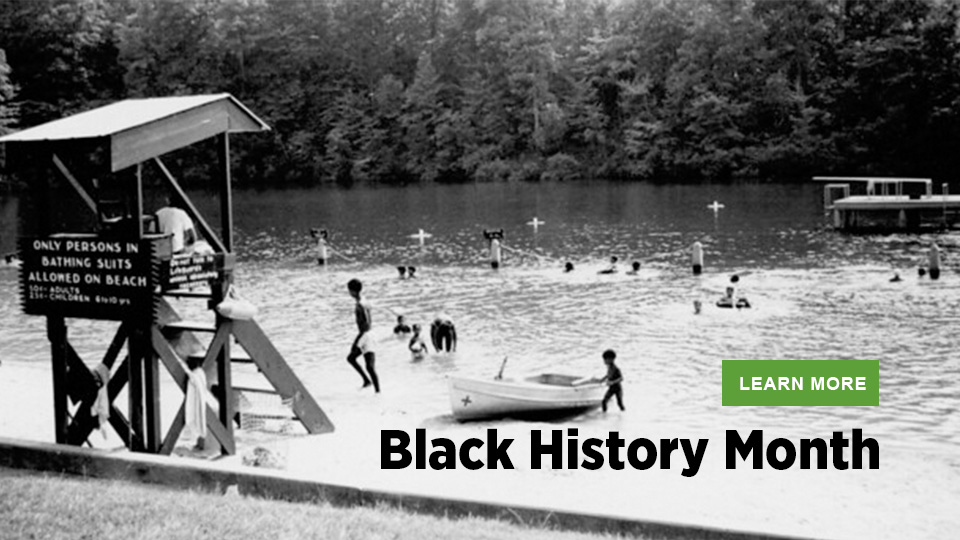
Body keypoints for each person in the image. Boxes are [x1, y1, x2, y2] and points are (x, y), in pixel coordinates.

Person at [346, 278, 379, 392]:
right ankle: (368, 382)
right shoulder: (364, 301)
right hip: (367, 334)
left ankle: (375, 389)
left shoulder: (360, 304)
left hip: (366, 335)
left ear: (352, 291)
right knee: (357, 360)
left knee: (366, 365)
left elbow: (366, 322)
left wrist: (360, 338)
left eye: (349, 290)